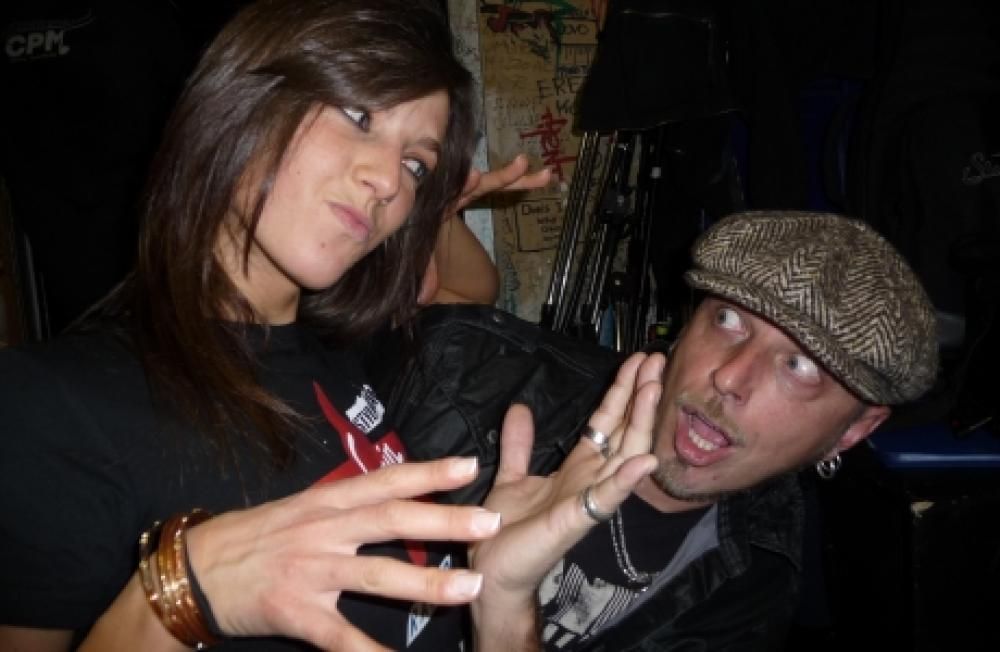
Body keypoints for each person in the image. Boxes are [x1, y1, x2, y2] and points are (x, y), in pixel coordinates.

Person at [0, 1, 656, 650]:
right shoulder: (52, 408)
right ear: (244, 99)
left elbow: (468, 291)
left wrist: (503, 606)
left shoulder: (338, 352)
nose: (388, 182)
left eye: (416, 165)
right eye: (359, 115)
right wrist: (187, 593)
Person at [522, 210, 939, 650]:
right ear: (686, 325)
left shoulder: (750, 597)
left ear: (851, 432)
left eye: (800, 366)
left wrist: (505, 608)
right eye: (728, 319)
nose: (730, 378)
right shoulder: (494, 386)